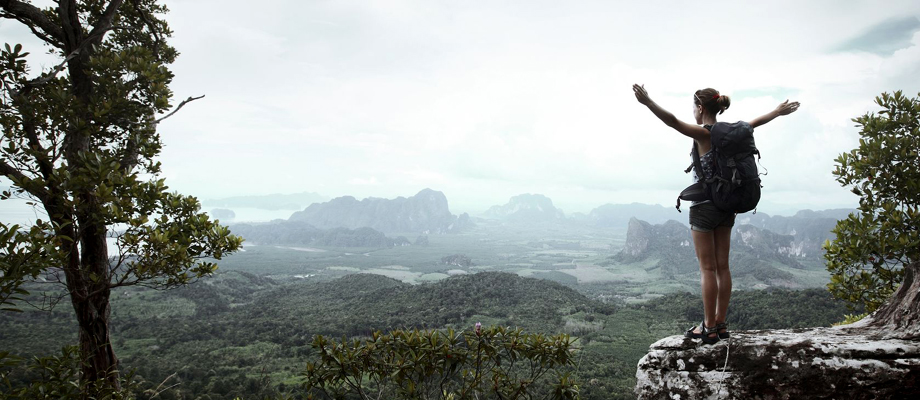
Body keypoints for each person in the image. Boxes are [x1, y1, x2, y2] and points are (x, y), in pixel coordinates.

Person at [632, 84, 800, 344]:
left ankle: (708, 326)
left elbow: (673, 122)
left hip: (703, 208)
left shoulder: (703, 134)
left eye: (694, 108)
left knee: (707, 268)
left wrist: (648, 102)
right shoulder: (733, 133)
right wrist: (777, 111)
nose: (693, 113)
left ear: (700, 108)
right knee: (723, 267)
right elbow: (755, 122)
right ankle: (720, 323)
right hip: (727, 206)